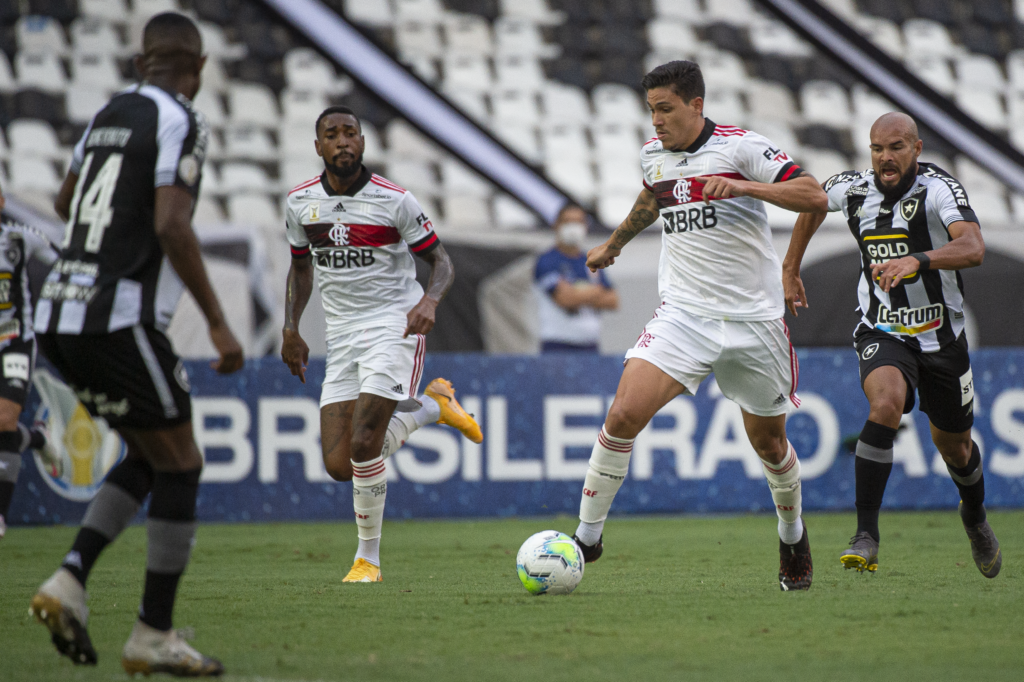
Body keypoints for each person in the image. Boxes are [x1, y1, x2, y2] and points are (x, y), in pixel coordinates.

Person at [29, 13, 243, 676]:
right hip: (114, 317)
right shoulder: (180, 118)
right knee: (182, 463)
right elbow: (173, 224)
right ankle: (152, 632)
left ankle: (69, 580)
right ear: (198, 67)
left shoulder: (107, 114)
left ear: (139, 61)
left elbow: (66, 200)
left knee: (152, 457)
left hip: (59, 313)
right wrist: (217, 321)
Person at [570, 60, 828, 591]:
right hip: (684, 315)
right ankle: (586, 539)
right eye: (651, 110)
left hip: (754, 321)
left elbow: (814, 196)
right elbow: (653, 196)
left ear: (696, 105)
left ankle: (792, 534)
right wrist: (614, 245)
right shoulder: (653, 155)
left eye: (665, 109)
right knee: (623, 414)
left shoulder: (741, 148)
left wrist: (746, 189)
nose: (656, 121)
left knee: (770, 445)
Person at [783, 112, 1000, 578]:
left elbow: (974, 247)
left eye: (896, 147)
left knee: (957, 449)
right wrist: (790, 267)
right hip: (883, 328)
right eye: (877, 148)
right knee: (885, 405)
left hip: (942, 337)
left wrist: (918, 260)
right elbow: (813, 202)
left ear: (916, 149)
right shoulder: (854, 188)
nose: (885, 157)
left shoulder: (940, 190)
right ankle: (866, 535)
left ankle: (975, 517)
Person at [281, 106, 482, 584]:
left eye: (351, 132)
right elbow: (300, 268)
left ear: (362, 142)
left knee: (365, 440)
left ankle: (366, 560)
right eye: (332, 134)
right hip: (341, 334)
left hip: (394, 324)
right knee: (340, 465)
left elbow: (442, 262)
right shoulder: (300, 202)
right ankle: (431, 407)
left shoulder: (395, 200)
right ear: (318, 146)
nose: (343, 141)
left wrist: (430, 301)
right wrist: (291, 328)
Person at [0, 203, 64, 538]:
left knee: (4, 420)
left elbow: (61, 263)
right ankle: (38, 437)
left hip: (15, 343)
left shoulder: (18, 238)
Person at [535, 205, 618, 353]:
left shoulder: (591, 260)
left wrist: (577, 293)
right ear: (556, 225)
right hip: (557, 345)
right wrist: (596, 292)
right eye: (567, 222)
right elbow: (565, 299)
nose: (573, 227)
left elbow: (613, 300)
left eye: (578, 222)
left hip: (590, 346)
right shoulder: (547, 260)